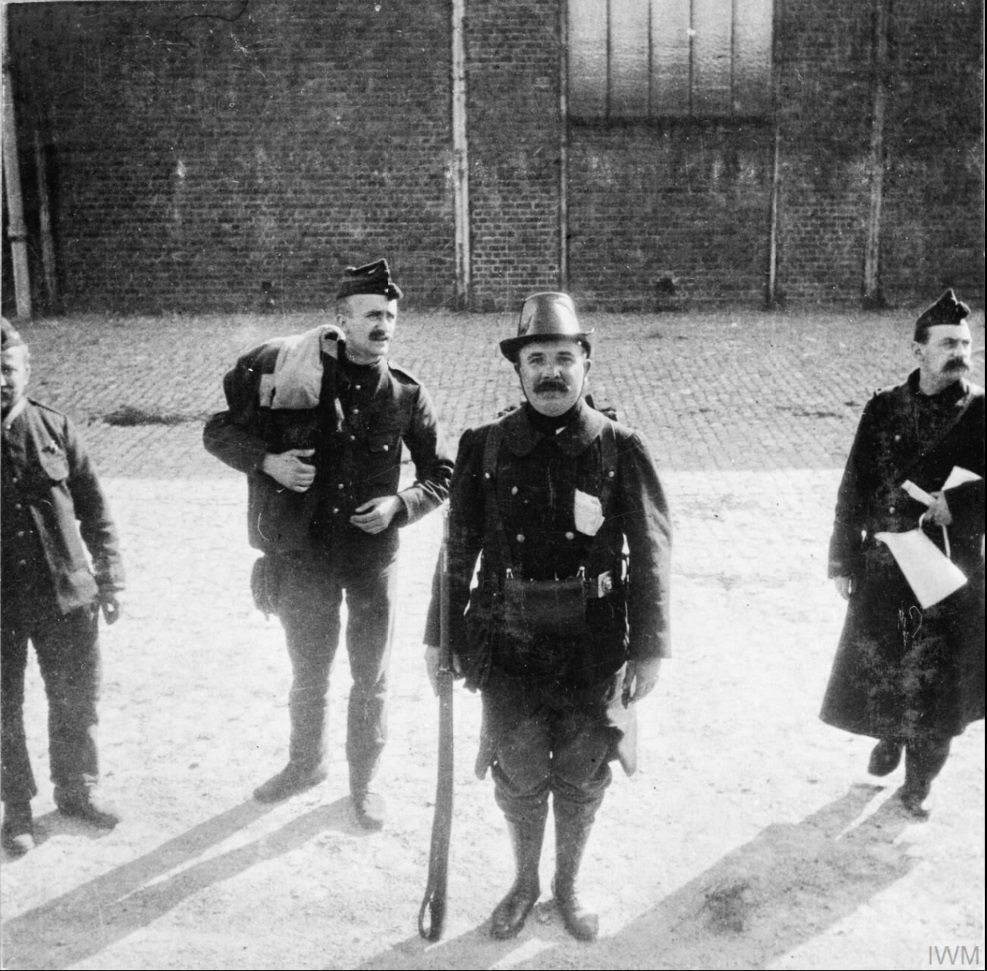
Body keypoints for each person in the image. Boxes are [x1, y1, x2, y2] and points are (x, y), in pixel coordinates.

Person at [424, 292, 671, 941]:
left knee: (584, 769)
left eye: (564, 356)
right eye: (537, 358)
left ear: (586, 362)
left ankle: (567, 883)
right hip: (508, 641)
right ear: (518, 368)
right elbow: (456, 548)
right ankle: (524, 881)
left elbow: (649, 553)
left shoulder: (618, 447)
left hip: (592, 644)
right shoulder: (483, 447)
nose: (551, 372)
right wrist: (437, 636)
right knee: (521, 766)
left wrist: (649, 646)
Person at [204, 260, 452, 829]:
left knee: (371, 677)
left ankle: (363, 784)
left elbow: (441, 471)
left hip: (373, 561)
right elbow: (217, 430)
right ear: (341, 320)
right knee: (308, 669)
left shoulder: (408, 395)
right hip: (306, 557)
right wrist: (268, 461)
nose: (382, 326)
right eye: (369, 315)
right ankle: (304, 764)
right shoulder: (296, 380)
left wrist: (400, 505)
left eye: (389, 316)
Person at [821, 289, 984, 817]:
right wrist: (843, 559)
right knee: (889, 664)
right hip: (888, 564)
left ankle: (919, 782)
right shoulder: (884, 406)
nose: (960, 352)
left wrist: (958, 504)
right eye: (948, 343)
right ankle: (891, 734)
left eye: (966, 343)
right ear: (918, 351)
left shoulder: (980, 412)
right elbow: (855, 485)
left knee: (939, 681)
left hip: (950, 569)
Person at [1, 318, 125, 856]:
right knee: (3, 708)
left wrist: (111, 578)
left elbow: (95, 508)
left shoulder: (56, 428)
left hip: (65, 593)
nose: (0, 382)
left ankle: (78, 791)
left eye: (7, 370)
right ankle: (18, 809)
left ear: (25, 371)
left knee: (76, 700)